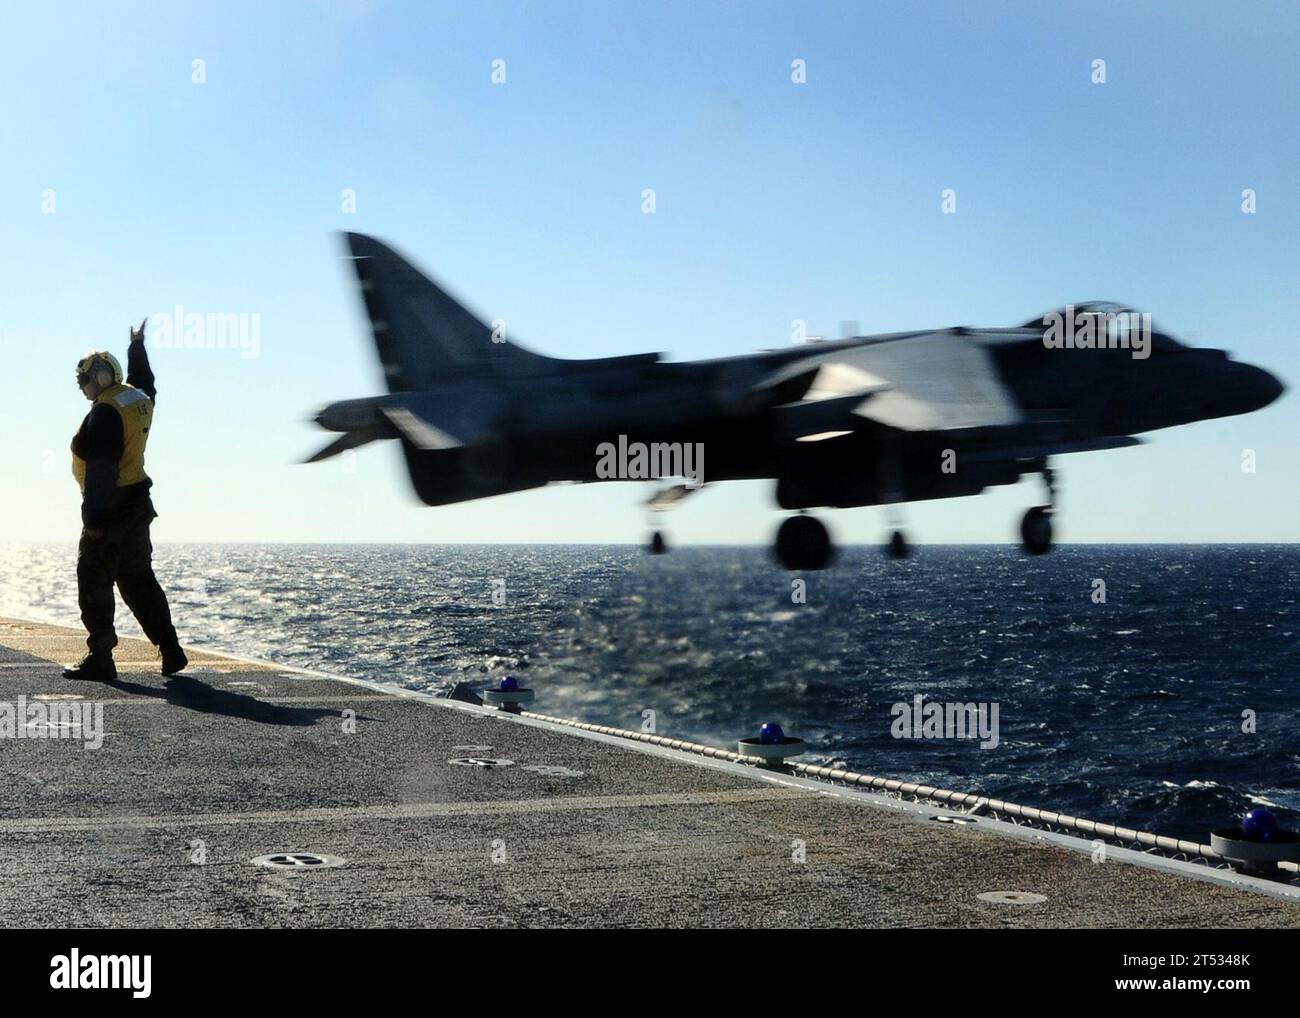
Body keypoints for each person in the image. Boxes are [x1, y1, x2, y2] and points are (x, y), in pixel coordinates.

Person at [63, 318, 187, 681]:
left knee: (93, 578)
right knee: (138, 579)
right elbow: (146, 380)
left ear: (99, 377)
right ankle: (171, 649)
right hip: (138, 506)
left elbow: (101, 472)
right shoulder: (137, 400)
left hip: (111, 509)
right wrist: (137, 346)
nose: (82, 387)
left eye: (84, 379)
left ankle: (101, 656)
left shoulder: (104, 413)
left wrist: (94, 523)